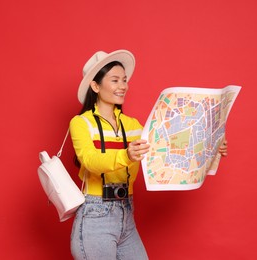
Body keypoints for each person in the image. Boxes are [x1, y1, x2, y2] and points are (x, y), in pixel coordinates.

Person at [69, 50, 228, 259]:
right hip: (95, 215)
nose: (123, 86)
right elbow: (90, 161)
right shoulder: (81, 123)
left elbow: (167, 147)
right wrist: (126, 155)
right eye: (115, 80)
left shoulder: (132, 125)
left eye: (124, 80)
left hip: (126, 212)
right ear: (96, 86)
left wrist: (211, 146)